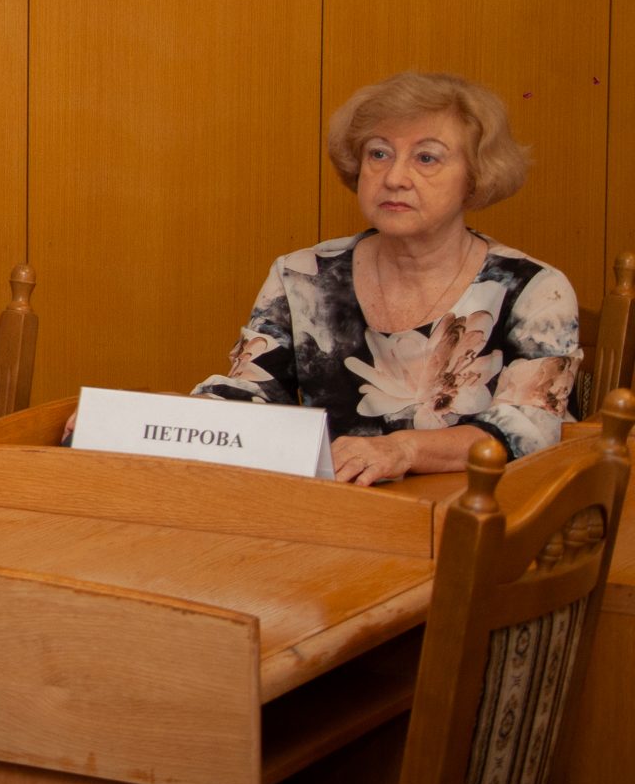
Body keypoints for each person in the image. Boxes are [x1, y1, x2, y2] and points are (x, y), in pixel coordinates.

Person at [196, 72, 578, 485]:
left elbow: (529, 428)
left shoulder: (535, 289)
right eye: (379, 154)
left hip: (477, 510)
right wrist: (187, 420)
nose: (394, 178)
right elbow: (252, 393)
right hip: (337, 507)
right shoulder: (303, 276)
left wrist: (404, 449)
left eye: (426, 158)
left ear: (475, 176)